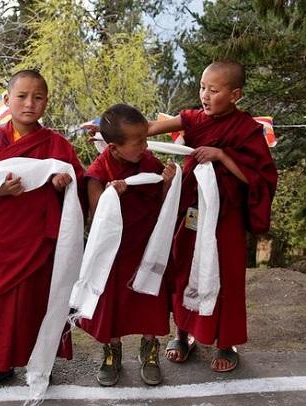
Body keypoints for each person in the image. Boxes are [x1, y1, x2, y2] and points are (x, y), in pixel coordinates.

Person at [148, 61, 277, 372]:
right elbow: (149, 128)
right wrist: (111, 131)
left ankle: (225, 342)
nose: (205, 95)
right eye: (202, 87)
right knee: (183, 267)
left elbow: (260, 178)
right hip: (192, 209)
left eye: (214, 90)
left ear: (235, 95)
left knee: (227, 274)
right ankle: (183, 334)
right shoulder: (193, 119)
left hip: (226, 216)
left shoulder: (247, 129)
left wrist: (222, 155)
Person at [0, 69, 86, 391]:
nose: (29, 103)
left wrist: (64, 184)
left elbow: (78, 184)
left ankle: (42, 359)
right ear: (7, 100)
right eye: (21, 96)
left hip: (42, 239)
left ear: (46, 102)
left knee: (41, 300)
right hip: (6, 238)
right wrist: (1, 191)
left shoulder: (55, 143)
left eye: (38, 97)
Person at [77, 104, 176, 387]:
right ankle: (111, 353)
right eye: (139, 142)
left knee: (149, 300)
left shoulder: (149, 162)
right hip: (114, 254)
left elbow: (160, 202)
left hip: (146, 246)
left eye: (146, 140)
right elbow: (97, 215)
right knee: (113, 305)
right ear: (114, 148)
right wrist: (112, 196)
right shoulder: (99, 171)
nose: (146, 147)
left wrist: (168, 183)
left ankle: (150, 350)